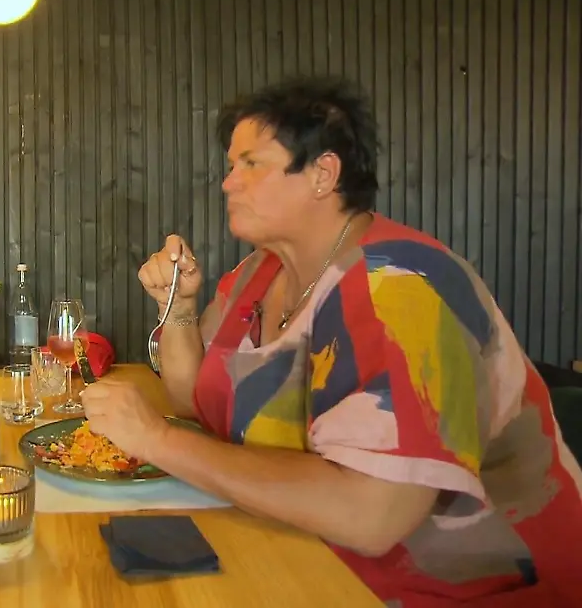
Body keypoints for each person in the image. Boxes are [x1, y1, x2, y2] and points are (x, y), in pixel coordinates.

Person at [80, 77, 582, 607]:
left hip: (463, 593)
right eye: (231, 166)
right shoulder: (258, 273)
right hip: (304, 561)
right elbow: (192, 398)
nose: (228, 183)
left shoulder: (401, 286)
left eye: (251, 164)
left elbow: (371, 515)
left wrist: (157, 440)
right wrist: (179, 309)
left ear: (323, 173)